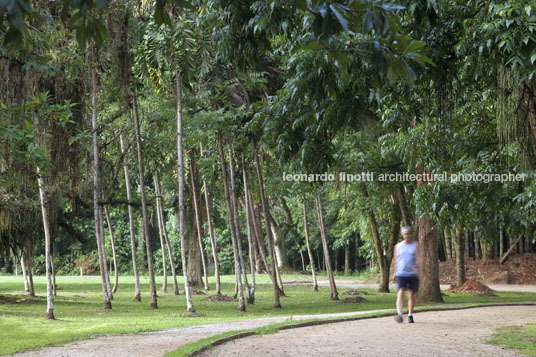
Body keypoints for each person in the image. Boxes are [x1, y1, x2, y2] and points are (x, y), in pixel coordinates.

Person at [393, 225, 418, 323]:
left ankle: (410, 315)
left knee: (411, 294)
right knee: (401, 291)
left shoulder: (415, 244)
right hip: (401, 273)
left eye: (408, 233)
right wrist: (394, 273)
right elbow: (395, 260)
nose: (406, 235)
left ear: (410, 234)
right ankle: (399, 313)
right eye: (404, 234)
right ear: (402, 235)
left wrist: (418, 269)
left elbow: (419, 258)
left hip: (412, 273)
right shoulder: (398, 246)